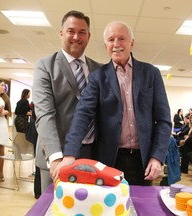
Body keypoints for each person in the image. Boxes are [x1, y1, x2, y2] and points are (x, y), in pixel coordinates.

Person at [54, 21, 172, 185]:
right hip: (109, 160)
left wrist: (157, 157)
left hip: (143, 162)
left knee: (140, 208)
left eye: (121, 38)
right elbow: (82, 114)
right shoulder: (97, 77)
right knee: (109, 208)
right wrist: (69, 155)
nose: (116, 44)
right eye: (111, 40)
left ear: (131, 42)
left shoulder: (151, 73)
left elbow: (164, 121)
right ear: (105, 45)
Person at [32, 10, 101, 192]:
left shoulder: (99, 70)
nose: (76, 37)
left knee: (89, 208)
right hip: (57, 153)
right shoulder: (45, 66)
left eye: (82, 32)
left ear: (89, 36)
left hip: (92, 155)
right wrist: (55, 158)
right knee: (56, 209)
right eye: (71, 31)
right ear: (61, 33)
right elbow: (44, 114)